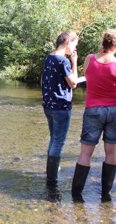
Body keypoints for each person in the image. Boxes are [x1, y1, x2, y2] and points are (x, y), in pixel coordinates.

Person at [71, 29, 116, 202]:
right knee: (111, 154)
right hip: (114, 110)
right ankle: (106, 194)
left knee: (85, 153)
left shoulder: (90, 59)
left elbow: (88, 75)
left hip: (93, 110)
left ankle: (76, 194)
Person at [41, 30, 79, 200]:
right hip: (61, 106)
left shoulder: (49, 57)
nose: (74, 48)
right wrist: (74, 61)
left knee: (53, 139)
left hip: (48, 106)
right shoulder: (63, 60)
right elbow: (74, 83)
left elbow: (45, 80)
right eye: (74, 45)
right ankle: (52, 179)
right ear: (67, 43)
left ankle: (51, 173)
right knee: (57, 142)